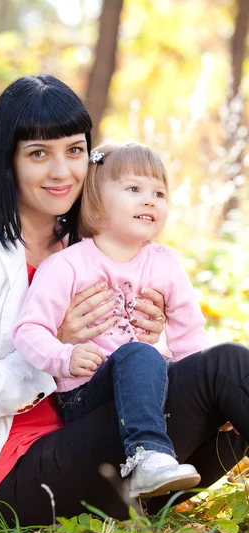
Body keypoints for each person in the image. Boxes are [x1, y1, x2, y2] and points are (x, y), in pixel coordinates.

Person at [0, 74, 249, 530]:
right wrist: (53, 350)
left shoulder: (87, 248)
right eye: (38, 154)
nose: (62, 172)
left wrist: (154, 345)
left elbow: (133, 363)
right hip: (9, 483)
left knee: (228, 396)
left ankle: (149, 486)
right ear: (8, 161)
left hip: (114, 453)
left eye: (74, 150)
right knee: (227, 368)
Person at [13, 141, 210, 498]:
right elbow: (29, 330)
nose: (150, 200)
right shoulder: (68, 265)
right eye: (134, 189)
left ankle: (169, 466)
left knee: (207, 367)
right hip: (87, 396)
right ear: (96, 200)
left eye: (159, 193)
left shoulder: (165, 263)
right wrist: (64, 357)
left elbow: (190, 337)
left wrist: (203, 385)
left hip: (150, 387)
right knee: (138, 353)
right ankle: (147, 456)